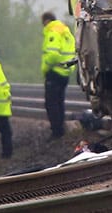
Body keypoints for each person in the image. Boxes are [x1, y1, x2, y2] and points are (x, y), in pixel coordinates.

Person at [41, 11, 76, 139]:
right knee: (59, 102)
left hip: (54, 72)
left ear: (46, 21)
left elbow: (53, 54)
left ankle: (56, 131)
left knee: (51, 103)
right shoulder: (66, 32)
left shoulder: (53, 32)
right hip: (65, 72)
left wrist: (46, 67)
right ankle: (60, 129)